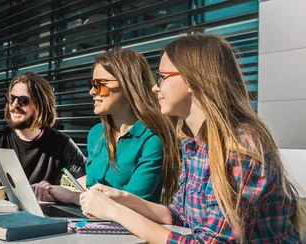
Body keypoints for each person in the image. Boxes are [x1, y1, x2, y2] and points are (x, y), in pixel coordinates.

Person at [80, 34, 305, 243]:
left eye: (163, 77)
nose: (154, 87)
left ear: (192, 79)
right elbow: (178, 215)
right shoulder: (194, 145)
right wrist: (122, 198)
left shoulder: (241, 146)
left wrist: (114, 211)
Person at [32, 49, 179, 206]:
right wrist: (55, 195)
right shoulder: (96, 134)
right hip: (91, 223)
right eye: (91, 84)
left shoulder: (151, 140)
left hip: (128, 229)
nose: (91, 91)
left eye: (99, 84)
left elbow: (134, 202)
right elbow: (91, 193)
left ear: (127, 85)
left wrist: (72, 197)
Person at [0, 72, 86, 187]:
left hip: (48, 205)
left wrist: (58, 193)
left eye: (23, 100)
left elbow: (89, 191)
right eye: (12, 98)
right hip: (9, 205)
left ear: (41, 104)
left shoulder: (62, 143)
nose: (14, 105)